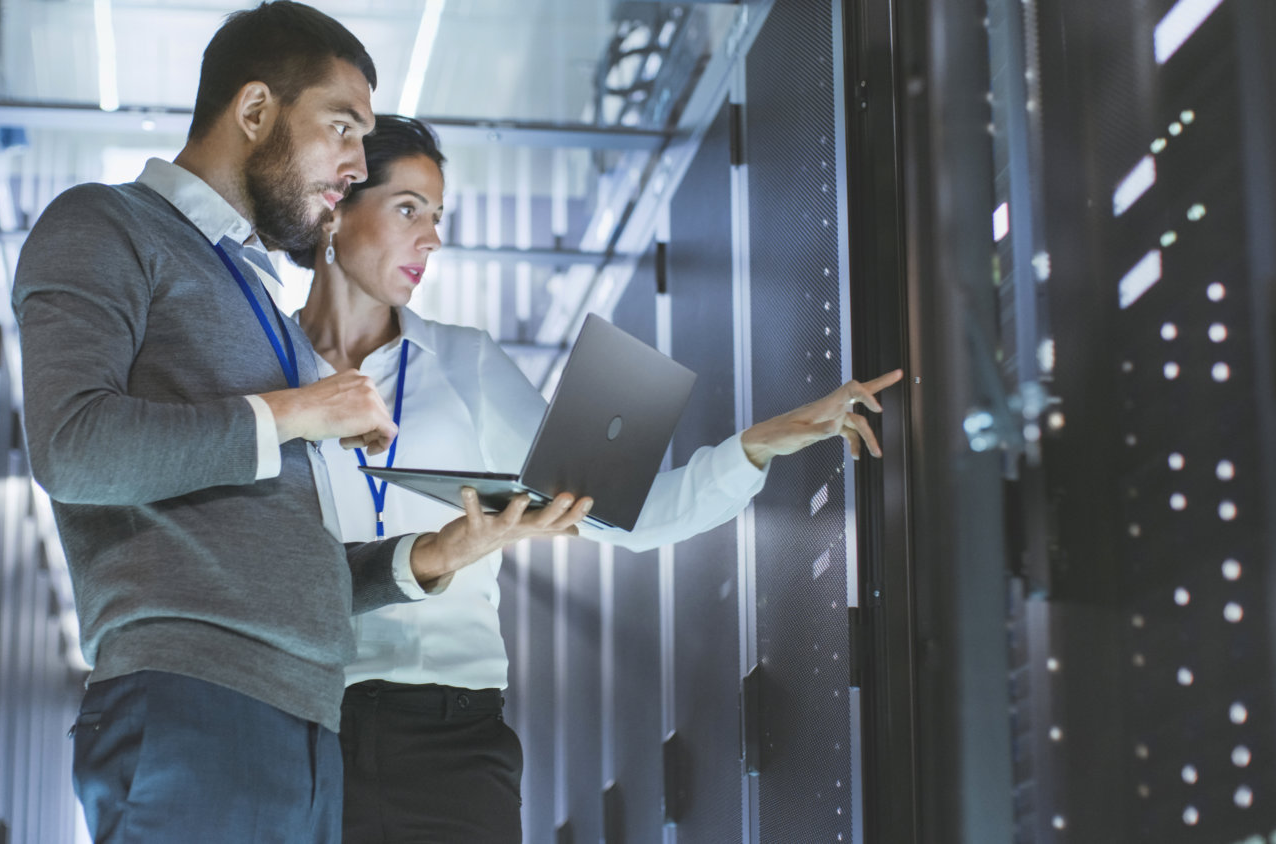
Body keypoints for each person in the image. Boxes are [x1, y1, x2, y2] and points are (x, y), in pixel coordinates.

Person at [11, 6, 588, 842]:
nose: (355, 165)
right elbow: (73, 447)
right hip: (194, 702)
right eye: (342, 128)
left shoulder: (261, 308)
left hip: (309, 726)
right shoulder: (106, 225)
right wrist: (300, 410)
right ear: (254, 112)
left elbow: (287, 560)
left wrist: (435, 557)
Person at [290, 114, 904, 843]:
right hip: (302, 727)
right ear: (337, 207)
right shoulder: (265, 371)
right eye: (408, 209)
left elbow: (624, 515)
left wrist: (756, 447)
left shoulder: (466, 364)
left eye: (439, 217)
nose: (432, 238)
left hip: (451, 737)